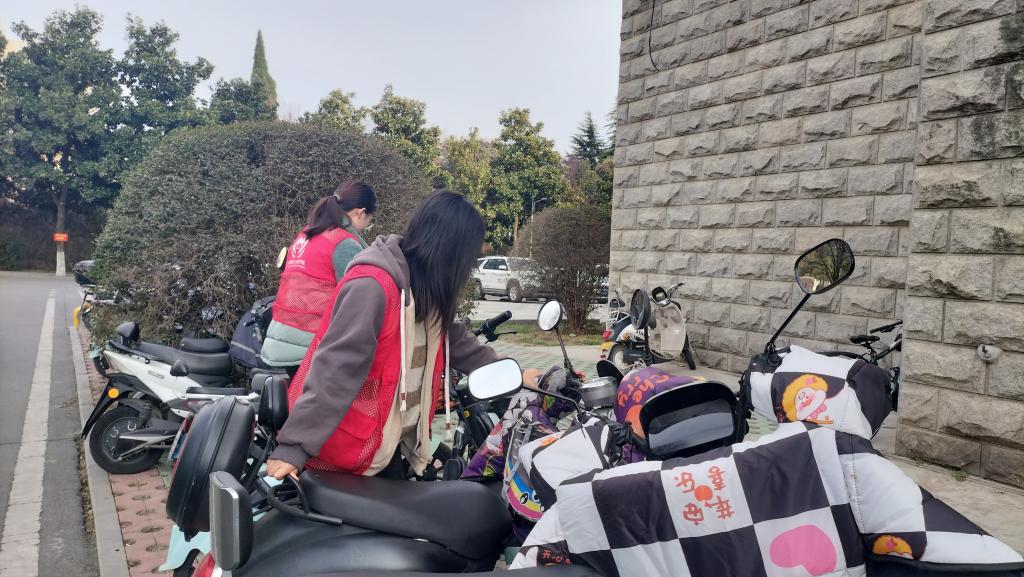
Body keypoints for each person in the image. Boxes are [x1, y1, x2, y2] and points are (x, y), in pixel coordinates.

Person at [267, 191, 538, 480]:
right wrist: (295, 447)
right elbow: (336, 368)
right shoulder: (373, 286)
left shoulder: (422, 286)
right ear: (452, 253)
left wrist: (514, 373)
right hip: (346, 452)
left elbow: (456, 340)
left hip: (383, 445)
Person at [261, 180, 377, 378]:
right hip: (311, 343)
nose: (365, 227)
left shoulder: (308, 234)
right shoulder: (343, 243)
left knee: (296, 396)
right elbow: (357, 300)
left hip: (283, 335)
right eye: (369, 221)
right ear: (360, 212)